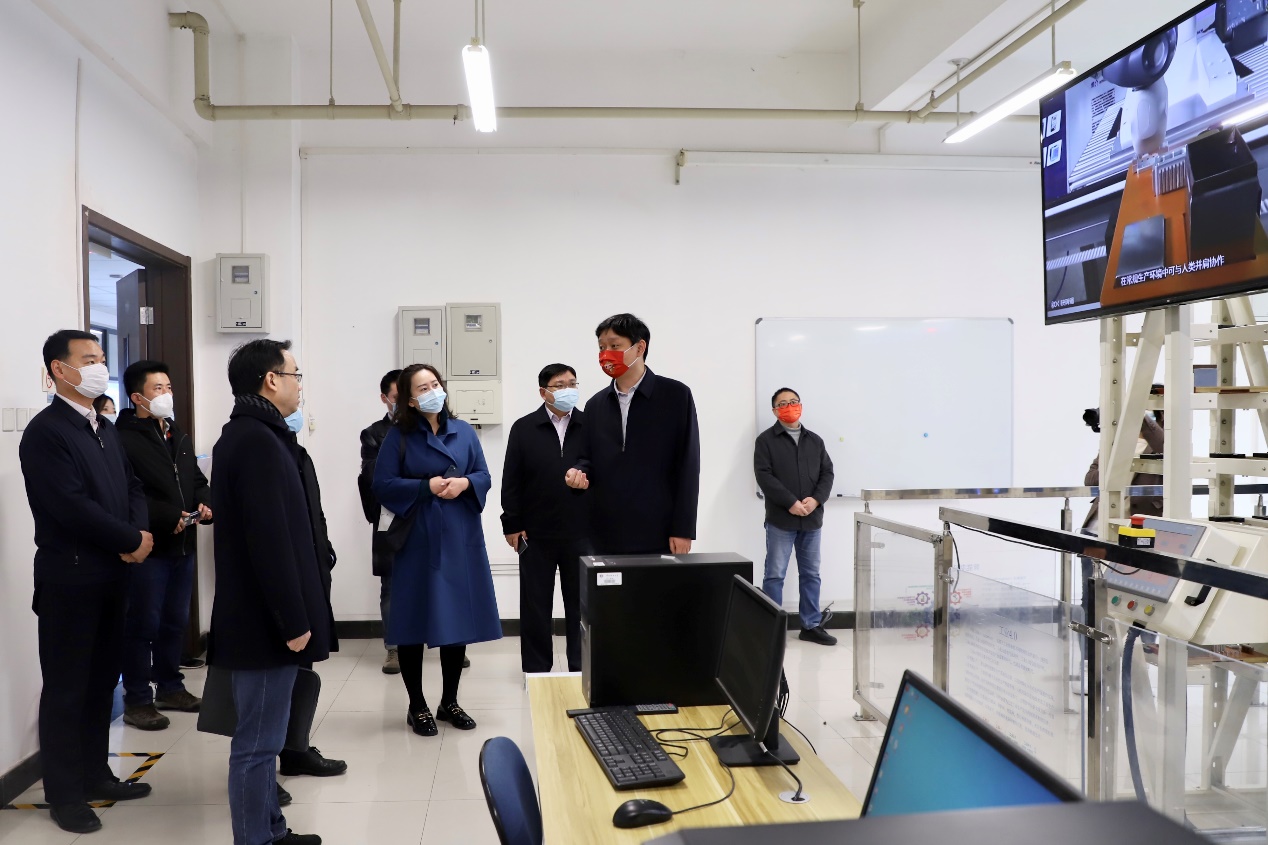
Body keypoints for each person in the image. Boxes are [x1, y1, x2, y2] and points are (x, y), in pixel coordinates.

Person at [19, 330, 154, 834]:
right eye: (88, 359)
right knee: (67, 689)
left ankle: (97, 774)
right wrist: (128, 538)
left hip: (113, 574)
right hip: (70, 579)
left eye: (101, 358)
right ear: (59, 369)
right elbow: (69, 505)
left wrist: (138, 534)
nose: (100, 366)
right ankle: (65, 793)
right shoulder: (46, 432)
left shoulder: (103, 426)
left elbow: (132, 485)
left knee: (102, 683)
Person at [210, 338, 328, 845]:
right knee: (256, 746)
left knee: (267, 738)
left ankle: (272, 829)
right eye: (295, 374)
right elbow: (268, 541)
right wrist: (292, 620)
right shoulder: (255, 441)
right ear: (271, 380)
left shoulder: (258, 435)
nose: (300, 384)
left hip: (264, 617)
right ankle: (255, 839)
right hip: (263, 622)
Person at [374, 364, 501, 736]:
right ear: (410, 400)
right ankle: (417, 705)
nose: (433, 391)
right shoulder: (398, 436)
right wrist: (424, 487)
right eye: (423, 388)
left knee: (456, 620)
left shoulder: (463, 431)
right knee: (412, 621)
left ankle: (450, 701)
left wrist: (465, 483)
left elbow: (484, 474)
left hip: (460, 534)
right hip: (417, 537)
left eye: (435, 384)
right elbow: (382, 484)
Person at [114, 360, 211, 731]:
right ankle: (138, 699)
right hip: (149, 548)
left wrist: (205, 502)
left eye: (168, 387)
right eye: (158, 388)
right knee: (143, 624)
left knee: (174, 621)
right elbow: (127, 493)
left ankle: (170, 687)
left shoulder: (175, 433)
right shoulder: (122, 438)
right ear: (137, 397)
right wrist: (165, 514)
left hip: (182, 545)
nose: (167, 394)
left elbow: (196, 479)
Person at [565, 313, 701, 556]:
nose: (606, 354)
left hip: (660, 531)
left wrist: (683, 528)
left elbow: (688, 465)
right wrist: (578, 473)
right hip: (605, 532)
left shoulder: (675, 396)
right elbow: (587, 459)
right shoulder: (596, 405)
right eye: (601, 347)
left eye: (614, 346)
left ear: (639, 347)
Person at [501, 364, 590, 673]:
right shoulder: (524, 428)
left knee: (582, 606)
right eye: (559, 385)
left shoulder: (590, 425)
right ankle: (536, 670)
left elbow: (601, 469)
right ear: (543, 392)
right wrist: (512, 523)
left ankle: (582, 669)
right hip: (535, 533)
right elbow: (511, 480)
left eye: (572, 383)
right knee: (535, 605)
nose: (568, 390)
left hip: (582, 531)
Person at [276, 407, 347, 786]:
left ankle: (296, 750)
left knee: (304, 668)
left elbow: (312, 511)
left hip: (310, 567)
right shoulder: (259, 448)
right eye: (294, 380)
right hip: (284, 578)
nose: (299, 393)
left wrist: (324, 548)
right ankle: (263, 765)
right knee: (277, 674)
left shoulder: (297, 451)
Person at [753, 388, 837, 646]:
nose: (789, 406)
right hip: (781, 520)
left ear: (800, 405)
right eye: (783, 403)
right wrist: (790, 502)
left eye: (793, 401)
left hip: (811, 520)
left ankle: (810, 626)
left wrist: (817, 499)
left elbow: (827, 473)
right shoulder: (765, 441)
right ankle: (772, 630)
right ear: (774, 410)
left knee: (811, 574)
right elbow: (764, 475)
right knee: (774, 575)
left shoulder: (815, 441)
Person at [359, 368, 402, 674]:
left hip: (427, 517)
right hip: (390, 517)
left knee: (437, 581)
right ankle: (393, 649)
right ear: (384, 398)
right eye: (396, 396)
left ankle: (447, 642)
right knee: (391, 585)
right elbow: (374, 476)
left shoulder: (432, 427)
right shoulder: (374, 433)